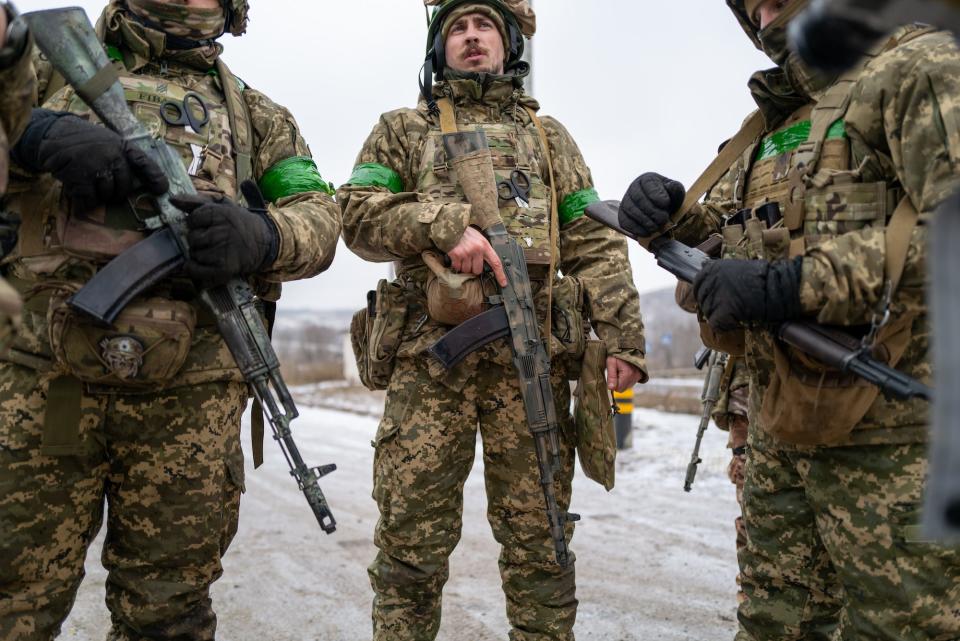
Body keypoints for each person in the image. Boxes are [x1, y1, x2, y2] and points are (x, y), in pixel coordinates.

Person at [619, 0, 960, 639]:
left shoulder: (917, 67)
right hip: (780, 429)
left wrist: (793, 286)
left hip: (896, 441)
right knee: (775, 624)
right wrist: (671, 221)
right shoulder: (766, 126)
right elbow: (731, 252)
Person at [0, 1, 341, 639]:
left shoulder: (258, 115)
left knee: (170, 614)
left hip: (190, 401)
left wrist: (263, 237)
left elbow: (320, 221)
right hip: (40, 383)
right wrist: (37, 136)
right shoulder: (42, 67)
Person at [338, 1, 647, 638]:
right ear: (438, 46)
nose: (472, 38)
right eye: (457, 27)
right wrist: (445, 226)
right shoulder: (403, 128)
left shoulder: (548, 138)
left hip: (530, 364)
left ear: (507, 43)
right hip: (432, 364)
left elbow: (596, 240)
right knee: (410, 550)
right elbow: (357, 215)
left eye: (484, 26)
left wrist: (623, 340)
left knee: (544, 545)